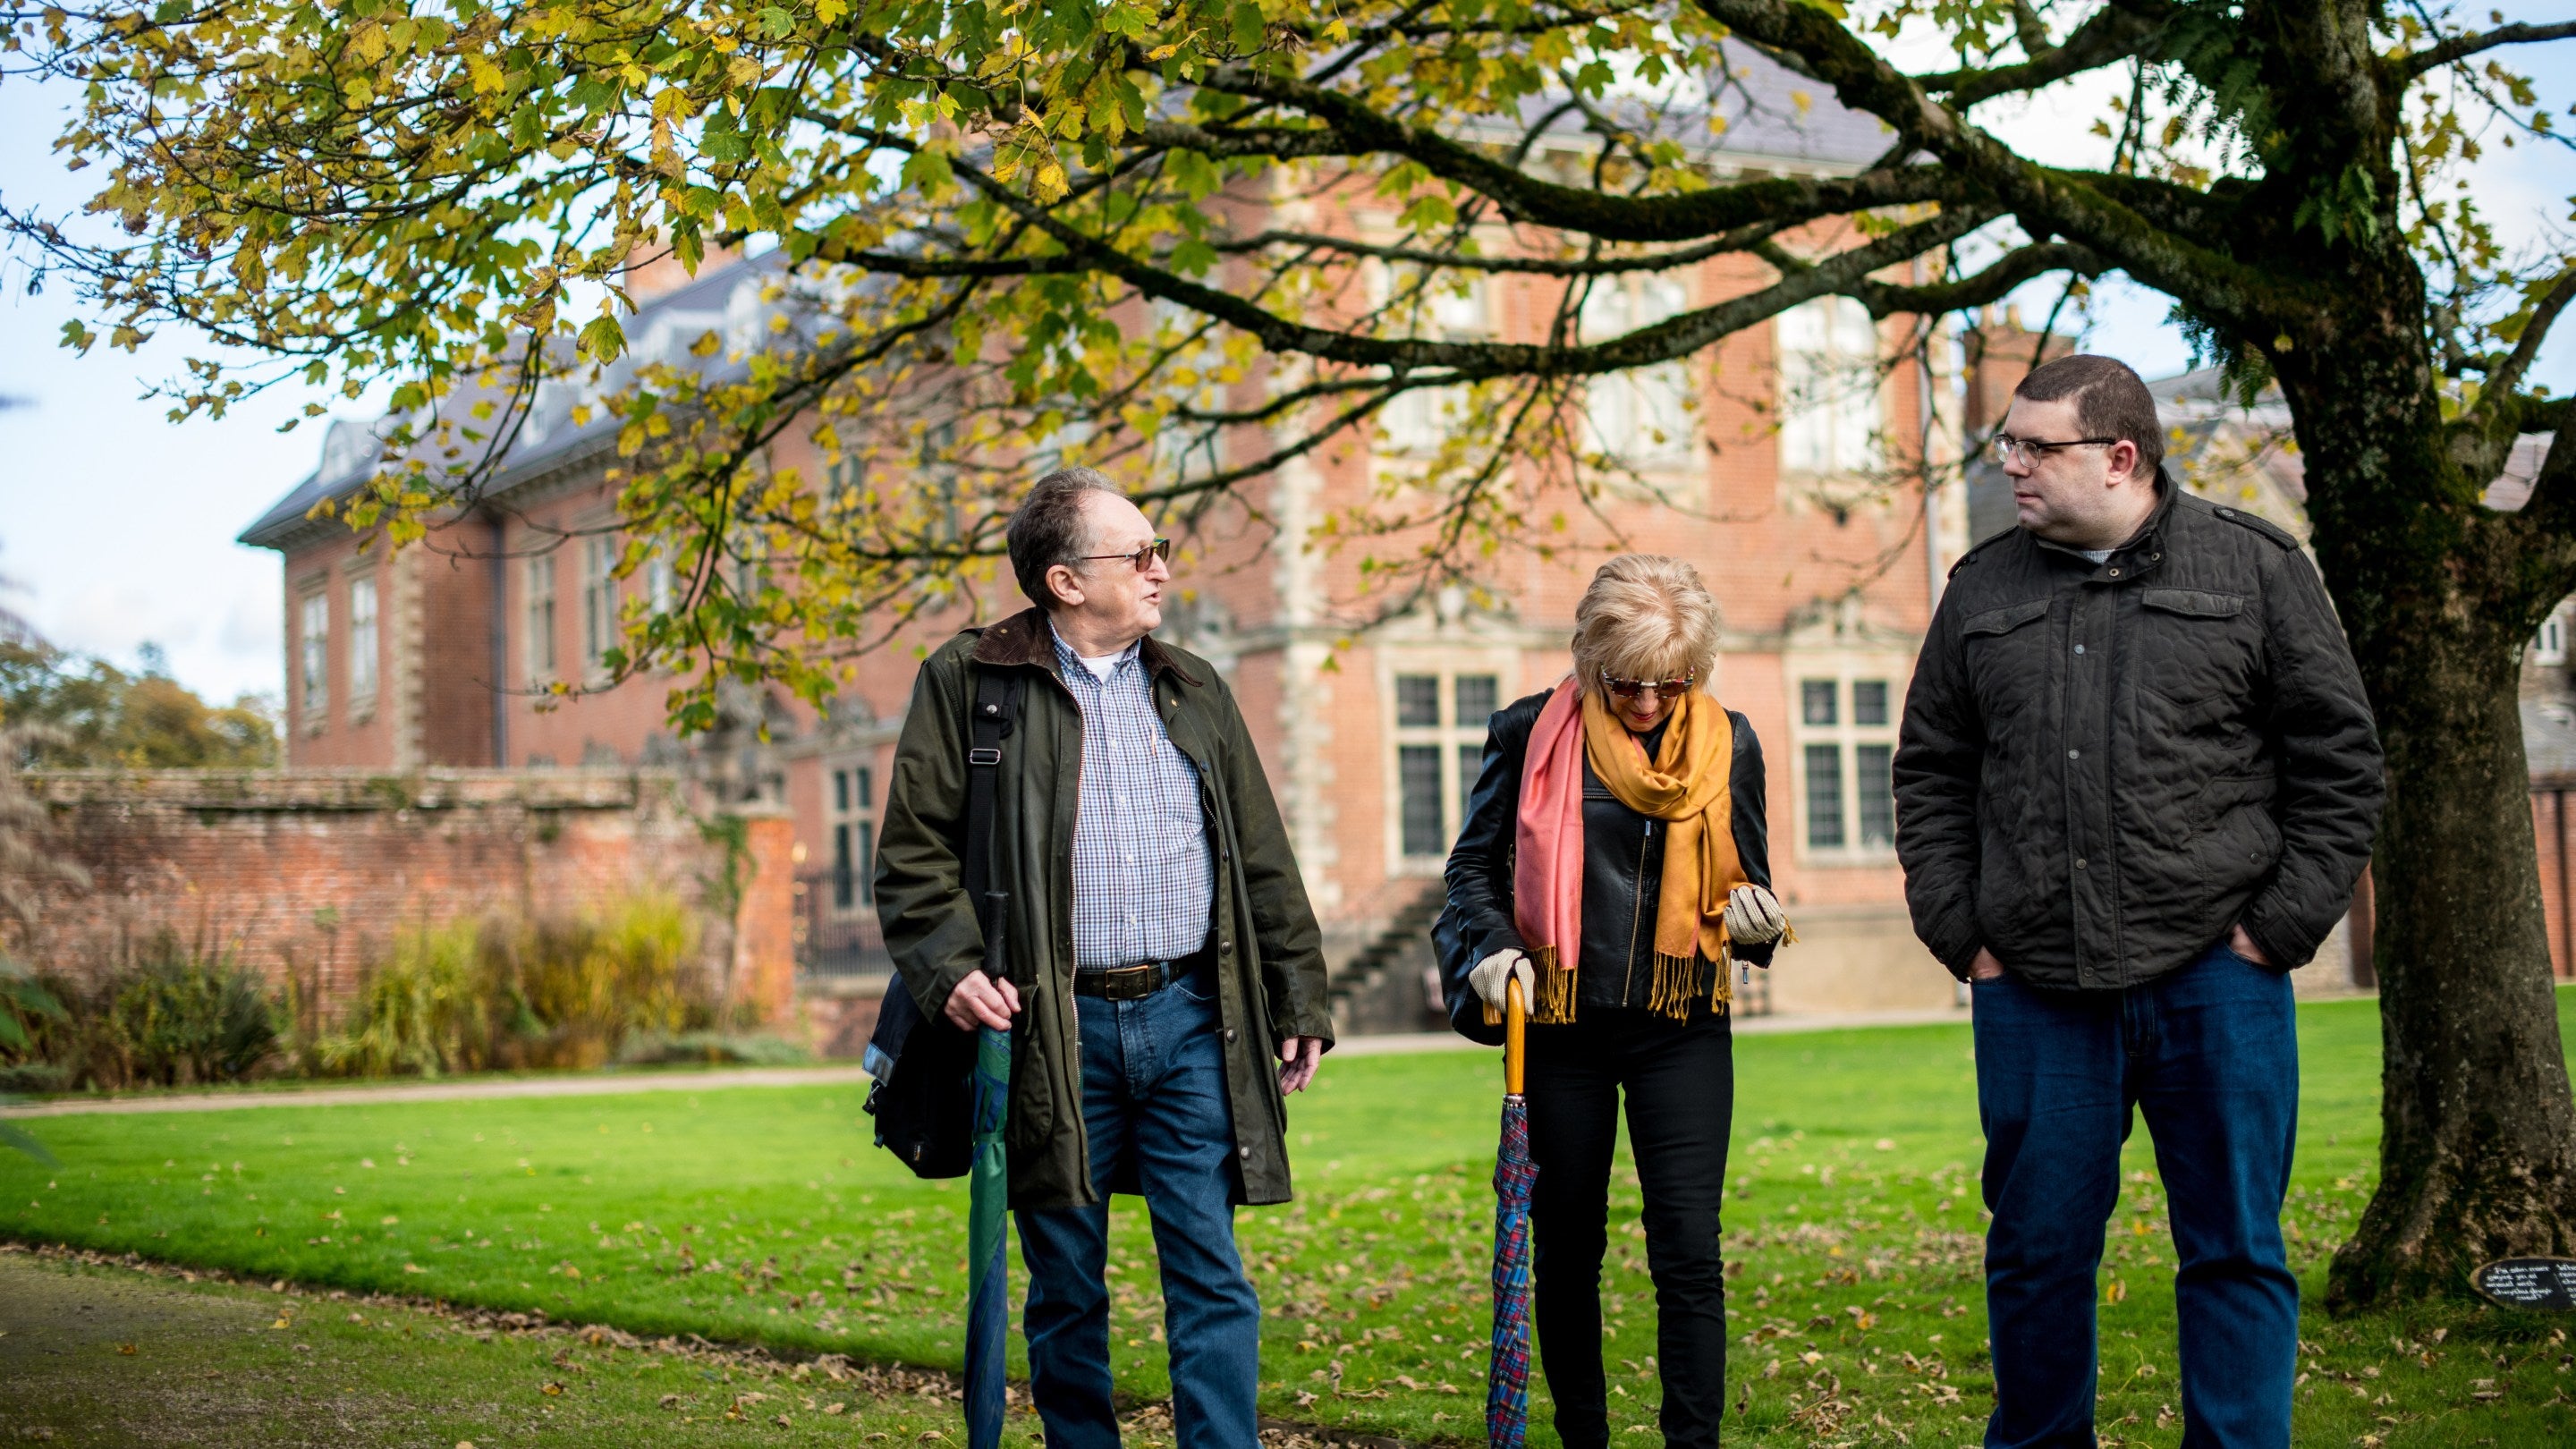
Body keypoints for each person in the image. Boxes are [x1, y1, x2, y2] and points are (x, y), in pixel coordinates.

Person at [1894, 354, 2383, 1449]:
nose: (2007, 463)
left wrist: (2277, 931)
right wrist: (1962, 932)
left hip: (2220, 975)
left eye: (2034, 447)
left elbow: (2341, 762)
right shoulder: (1984, 586)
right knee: (2036, 1253)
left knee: (2237, 1249)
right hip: (2035, 984)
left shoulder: (2255, 568)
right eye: (2006, 442)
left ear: (2121, 457)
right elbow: (1931, 769)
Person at [874, 466, 1335, 1449]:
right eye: (1140, 553)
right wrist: (951, 969)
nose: (1162, 568)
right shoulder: (970, 682)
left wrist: (1299, 997)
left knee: (1211, 1269)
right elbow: (913, 857)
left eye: (1157, 548)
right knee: (1066, 1283)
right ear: (1066, 581)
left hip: (1189, 1019)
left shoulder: (1194, 686)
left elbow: (1261, 858)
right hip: (1050, 1027)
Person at [1433, 554, 1789, 1449]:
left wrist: (1757, 927)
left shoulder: (1731, 739)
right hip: (1560, 1031)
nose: (1645, 704)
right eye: (1625, 683)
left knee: (1688, 1253)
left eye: (1670, 684)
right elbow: (1470, 872)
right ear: (1592, 664)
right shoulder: (1526, 732)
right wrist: (1494, 946)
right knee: (1567, 1254)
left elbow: (1749, 886)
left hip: (1684, 1029)